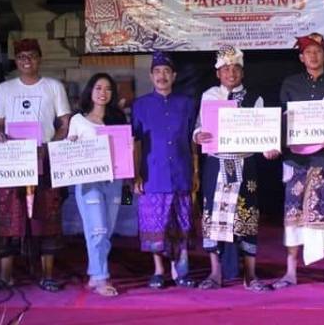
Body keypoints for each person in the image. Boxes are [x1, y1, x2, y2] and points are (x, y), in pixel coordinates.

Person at [0, 38, 72, 292]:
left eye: (32, 56)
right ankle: (5, 275)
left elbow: (65, 123)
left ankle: (47, 274)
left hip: (44, 157)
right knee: (8, 215)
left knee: (47, 215)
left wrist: (51, 145)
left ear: (40, 59)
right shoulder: (5, 88)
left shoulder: (53, 86)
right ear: (16, 61)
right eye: (21, 56)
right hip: (12, 159)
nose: (27, 61)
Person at [193, 45, 277, 292]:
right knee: (213, 216)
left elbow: (264, 131)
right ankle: (215, 273)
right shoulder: (209, 96)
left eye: (236, 69)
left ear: (242, 72)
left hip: (244, 163)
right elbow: (199, 127)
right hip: (216, 164)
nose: (231, 73)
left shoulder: (254, 98)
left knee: (247, 216)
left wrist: (269, 147)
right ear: (218, 73)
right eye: (226, 69)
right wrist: (198, 135)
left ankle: (250, 274)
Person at [272, 33, 324, 293]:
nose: (313, 56)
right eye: (308, 52)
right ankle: (291, 271)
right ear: (301, 57)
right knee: (293, 217)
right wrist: (274, 142)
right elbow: (282, 120)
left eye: (318, 52)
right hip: (297, 161)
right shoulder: (290, 84)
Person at [132, 51, 197, 289]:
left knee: (181, 223)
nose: (162, 76)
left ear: (174, 76)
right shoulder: (140, 105)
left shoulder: (187, 104)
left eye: (166, 71)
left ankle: (181, 271)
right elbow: (135, 143)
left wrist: (196, 172)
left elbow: (193, 140)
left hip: (181, 172)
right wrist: (136, 175)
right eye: (157, 72)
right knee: (155, 226)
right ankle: (159, 271)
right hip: (153, 175)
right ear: (151, 76)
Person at [68, 73, 128, 297]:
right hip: (88, 182)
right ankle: (102, 277)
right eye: (98, 88)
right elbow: (69, 151)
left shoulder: (118, 119)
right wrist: (70, 145)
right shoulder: (78, 120)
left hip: (114, 181)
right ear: (90, 91)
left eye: (108, 89)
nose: (103, 92)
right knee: (98, 229)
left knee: (107, 231)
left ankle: (95, 274)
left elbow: (125, 149)